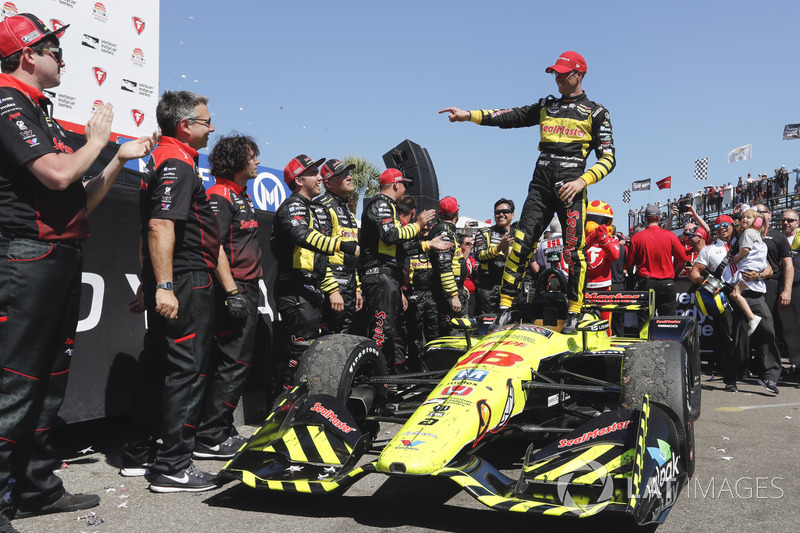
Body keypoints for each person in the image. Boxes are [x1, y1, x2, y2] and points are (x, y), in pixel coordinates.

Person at [0, 13, 154, 526]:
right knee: (16, 384)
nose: (62, 57)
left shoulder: (39, 111)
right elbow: (59, 173)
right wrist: (95, 140)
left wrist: (117, 159)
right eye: (53, 48)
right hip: (26, 257)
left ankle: (37, 489)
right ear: (28, 54)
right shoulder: (5, 100)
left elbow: (82, 197)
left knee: (49, 383)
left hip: (60, 255)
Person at [439, 50, 615, 334]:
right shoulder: (547, 106)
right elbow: (511, 116)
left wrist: (583, 182)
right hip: (540, 187)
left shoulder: (597, 113)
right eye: (554, 73)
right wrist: (468, 115)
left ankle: (574, 310)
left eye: (563, 73)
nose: (557, 78)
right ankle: (506, 308)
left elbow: (609, 158)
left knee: (574, 253)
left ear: (579, 74)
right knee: (520, 245)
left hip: (572, 190)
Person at [121, 90, 221, 494]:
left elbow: (151, 226)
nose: (212, 127)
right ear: (185, 126)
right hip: (184, 279)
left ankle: (138, 454)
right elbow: (160, 226)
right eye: (206, 120)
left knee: (157, 365)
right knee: (185, 371)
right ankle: (174, 467)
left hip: (171, 278)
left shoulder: (165, 158)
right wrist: (163, 285)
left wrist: (151, 281)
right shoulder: (177, 161)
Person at [193, 134, 263, 460]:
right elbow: (213, 245)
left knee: (236, 362)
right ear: (237, 160)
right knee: (232, 362)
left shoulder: (240, 195)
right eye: (253, 156)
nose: (258, 161)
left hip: (247, 287)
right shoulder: (219, 195)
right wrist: (232, 291)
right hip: (233, 289)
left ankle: (219, 428)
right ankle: (211, 436)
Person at [271, 155, 358, 389]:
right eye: (312, 172)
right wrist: (340, 244)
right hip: (294, 287)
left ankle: (309, 403)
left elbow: (320, 257)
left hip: (310, 287)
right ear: (299, 180)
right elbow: (302, 235)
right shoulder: (293, 206)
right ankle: (284, 409)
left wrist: (330, 286)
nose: (319, 176)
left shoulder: (310, 208)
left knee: (312, 352)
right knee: (300, 351)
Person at [359, 169, 448, 372]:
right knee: (381, 332)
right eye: (404, 183)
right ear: (395, 185)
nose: (406, 188)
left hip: (388, 277)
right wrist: (418, 225)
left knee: (389, 332)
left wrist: (428, 245)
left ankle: (385, 386)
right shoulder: (381, 204)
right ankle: (375, 384)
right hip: (379, 275)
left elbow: (400, 247)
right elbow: (390, 235)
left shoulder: (389, 207)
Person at [316, 159, 362, 335]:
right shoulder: (322, 206)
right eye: (342, 175)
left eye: (348, 173)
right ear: (328, 182)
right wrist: (332, 289)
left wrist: (357, 287)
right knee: (329, 337)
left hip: (349, 279)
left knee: (343, 336)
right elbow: (319, 251)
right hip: (333, 279)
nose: (349, 177)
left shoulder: (347, 211)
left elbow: (353, 253)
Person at [625, 205, 687, 318]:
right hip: (666, 283)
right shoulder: (670, 236)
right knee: (667, 322)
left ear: (645, 219)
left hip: (645, 283)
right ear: (659, 219)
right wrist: (675, 275)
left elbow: (629, 264)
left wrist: (632, 278)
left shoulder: (636, 238)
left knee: (645, 322)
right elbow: (683, 259)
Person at [398, 197, 436, 369]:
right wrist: (402, 293)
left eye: (430, 225)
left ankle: (434, 368)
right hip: (413, 294)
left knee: (433, 334)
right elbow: (399, 271)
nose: (427, 228)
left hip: (432, 294)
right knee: (414, 336)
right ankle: (415, 368)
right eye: (425, 225)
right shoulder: (408, 244)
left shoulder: (436, 245)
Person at [726, 209, 768, 335]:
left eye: (749, 217)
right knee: (735, 293)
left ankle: (752, 318)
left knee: (734, 294)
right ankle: (751, 318)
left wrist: (736, 258)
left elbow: (745, 249)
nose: (744, 219)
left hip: (747, 268)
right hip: (753, 268)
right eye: (743, 217)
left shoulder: (749, 232)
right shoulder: (757, 235)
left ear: (757, 221)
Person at [429, 197, 467, 335]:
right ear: (456, 213)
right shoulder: (444, 232)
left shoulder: (443, 230)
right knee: (453, 334)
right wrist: (454, 295)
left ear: (440, 214)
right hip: (447, 294)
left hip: (451, 290)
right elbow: (444, 266)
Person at [473, 199, 515, 315]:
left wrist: (507, 253)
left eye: (505, 211)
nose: (501, 214)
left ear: (512, 215)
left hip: (510, 287)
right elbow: (479, 255)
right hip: (488, 288)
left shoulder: (518, 235)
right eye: (497, 212)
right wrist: (498, 248)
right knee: (487, 325)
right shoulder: (484, 232)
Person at [583, 201, 620, 328]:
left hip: (603, 288)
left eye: (601, 220)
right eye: (591, 219)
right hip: (584, 287)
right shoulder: (581, 239)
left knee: (605, 323)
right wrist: (590, 239)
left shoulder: (612, 240)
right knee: (583, 322)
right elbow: (574, 253)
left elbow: (614, 256)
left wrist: (604, 240)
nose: (595, 223)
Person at [780, 209, 800, 376]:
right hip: (784, 289)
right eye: (783, 220)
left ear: (797, 223)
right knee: (790, 329)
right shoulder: (778, 239)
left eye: (790, 220)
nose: (786, 222)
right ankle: (796, 364)